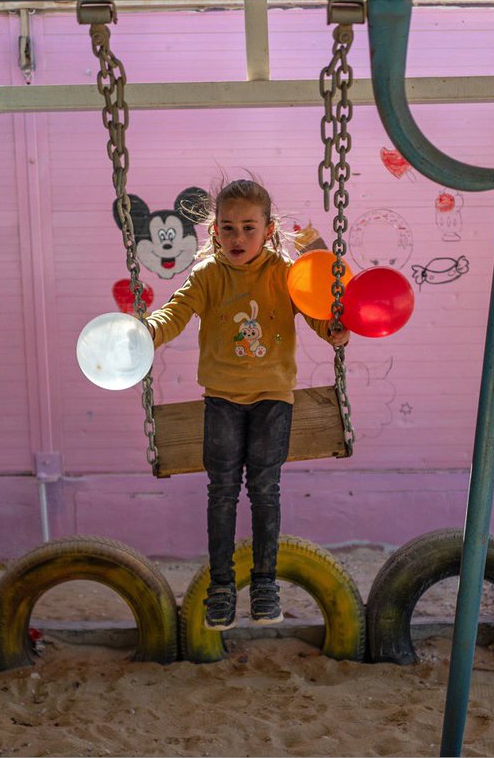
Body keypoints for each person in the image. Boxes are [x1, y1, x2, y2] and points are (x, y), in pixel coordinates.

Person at [144, 178, 350, 631]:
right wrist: (145, 333)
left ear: (268, 229)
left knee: (264, 489)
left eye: (249, 228)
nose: (238, 238)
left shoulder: (283, 272)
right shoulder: (207, 276)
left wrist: (334, 330)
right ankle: (221, 587)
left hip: (273, 399)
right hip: (222, 399)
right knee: (221, 492)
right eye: (229, 227)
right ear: (215, 230)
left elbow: (317, 314)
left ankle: (264, 584)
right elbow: (173, 314)